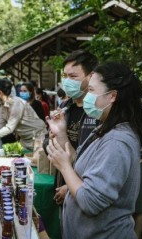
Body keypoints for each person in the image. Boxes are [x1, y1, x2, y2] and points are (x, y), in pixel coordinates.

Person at [47, 62, 142, 239]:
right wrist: (61, 132)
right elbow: (89, 171)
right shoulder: (107, 127)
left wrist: (64, 167)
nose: (87, 97)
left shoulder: (117, 141)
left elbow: (90, 201)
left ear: (112, 96)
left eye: (92, 90)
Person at [43, 49, 99, 207]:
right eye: (65, 76)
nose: (67, 82)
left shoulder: (100, 111)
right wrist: (52, 138)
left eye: (73, 76)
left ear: (91, 76)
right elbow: (54, 145)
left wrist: (70, 187)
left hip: (87, 190)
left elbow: (98, 161)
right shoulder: (64, 107)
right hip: (63, 179)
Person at [0, 78, 46, 151]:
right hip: (25, 139)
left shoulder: (16, 103)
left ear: (0, 93)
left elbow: (9, 128)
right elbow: (0, 125)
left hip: (38, 137)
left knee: (37, 160)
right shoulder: (3, 105)